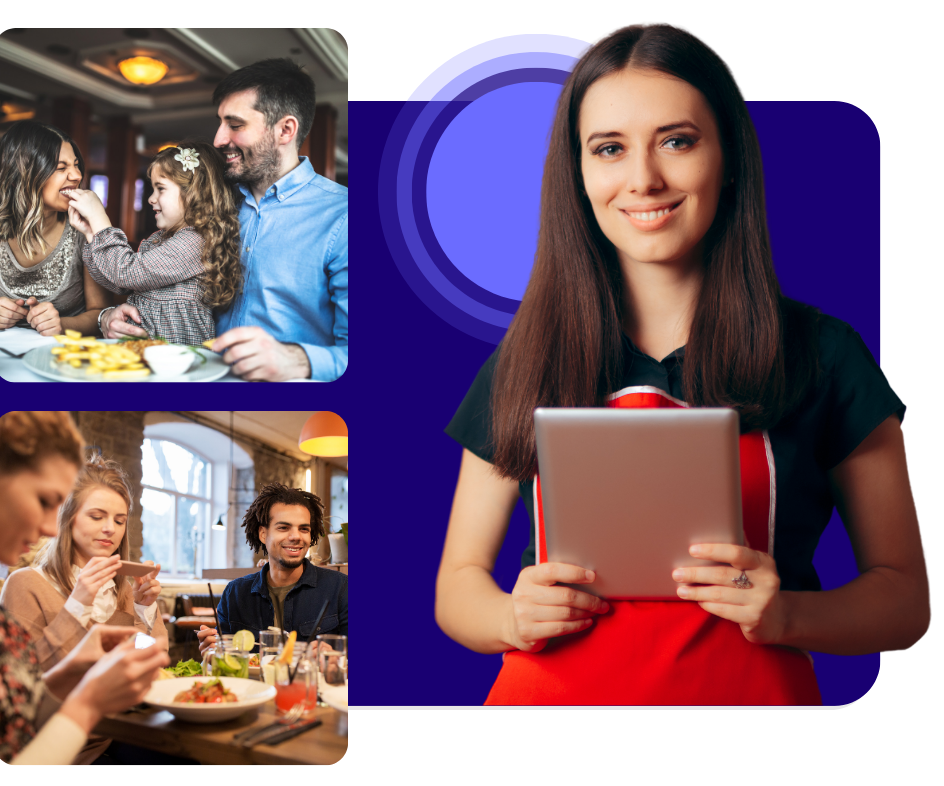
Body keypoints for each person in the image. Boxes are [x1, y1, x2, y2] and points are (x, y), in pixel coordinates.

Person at [436, 23, 930, 706]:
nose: (642, 178)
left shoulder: (825, 355)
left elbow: (903, 604)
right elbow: (457, 585)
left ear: (726, 155)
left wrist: (788, 614)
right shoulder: (526, 358)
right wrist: (508, 617)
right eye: (608, 148)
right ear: (577, 175)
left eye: (676, 140)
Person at [104, 59, 348, 381]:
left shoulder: (344, 217)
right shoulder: (211, 203)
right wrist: (110, 316)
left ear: (285, 130)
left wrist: (296, 359)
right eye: (220, 123)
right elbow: (164, 287)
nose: (219, 139)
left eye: (235, 125)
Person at [0, 412, 170, 765]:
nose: (110, 529)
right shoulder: (25, 584)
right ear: (69, 518)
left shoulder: (122, 585)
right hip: (77, 745)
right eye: (96, 516)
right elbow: (26, 699)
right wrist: (77, 606)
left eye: (120, 521)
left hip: (116, 729)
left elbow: (155, 660)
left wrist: (144, 609)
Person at [66, 140, 241, 345]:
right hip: (145, 347)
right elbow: (118, 284)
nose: (151, 198)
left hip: (175, 354)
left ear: (193, 193)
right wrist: (91, 235)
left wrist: (101, 222)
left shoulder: (196, 241)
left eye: (161, 189)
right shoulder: (160, 239)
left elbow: (127, 273)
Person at [196, 483, 347, 655]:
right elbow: (223, 658)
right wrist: (210, 651)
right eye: (283, 527)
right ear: (263, 534)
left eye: (303, 529)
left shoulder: (340, 588)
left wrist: (334, 656)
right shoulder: (235, 593)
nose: (296, 536)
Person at [0, 120, 112, 336]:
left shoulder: (84, 230)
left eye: (76, 164)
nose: (77, 176)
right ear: (21, 175)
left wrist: (61, 325)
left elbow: (102, 312)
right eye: (61, 168)